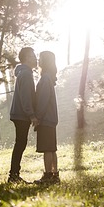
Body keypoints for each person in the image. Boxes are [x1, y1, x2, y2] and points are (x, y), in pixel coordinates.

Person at [8, 46, 38, 183]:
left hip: (18, 114)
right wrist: (31, 115)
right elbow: (26, 97)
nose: (35, 58)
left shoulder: (24, 72)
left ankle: (14, 175)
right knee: (20, 144)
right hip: (21, 115)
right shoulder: (26, 74)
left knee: (20, 143)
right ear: (26, 58)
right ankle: (13, 176)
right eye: (33, 55)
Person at [33, 50, 59, 183]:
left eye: (40, 58)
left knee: (47, 149)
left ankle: (48, 175)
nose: (38, 60)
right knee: (52, 148)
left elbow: (43, 100)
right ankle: (55, 175)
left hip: (46, 119)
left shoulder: (45, 79)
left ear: (45, 61)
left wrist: (37, 117)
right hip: (51, 119)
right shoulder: (49, 77)